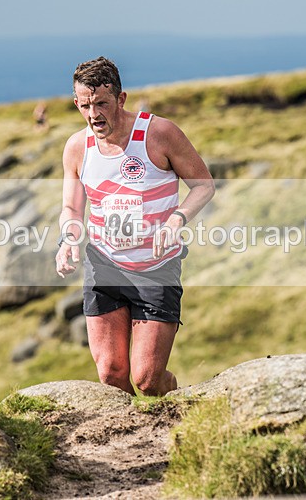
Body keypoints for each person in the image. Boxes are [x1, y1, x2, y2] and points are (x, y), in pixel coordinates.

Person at [55, 57, 215, 396]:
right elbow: (71, 207)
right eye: (85, 105)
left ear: (121, 99)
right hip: (104, 267)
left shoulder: (159, 134)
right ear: (76, 103)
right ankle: (129, 440)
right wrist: (68, 239)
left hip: (156, 270)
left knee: (147, 380)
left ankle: (175, 399)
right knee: (112, 375)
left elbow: (204, 185)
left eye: (102, 103)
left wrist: (176, 219)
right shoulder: (76, 147)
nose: (94, 114)